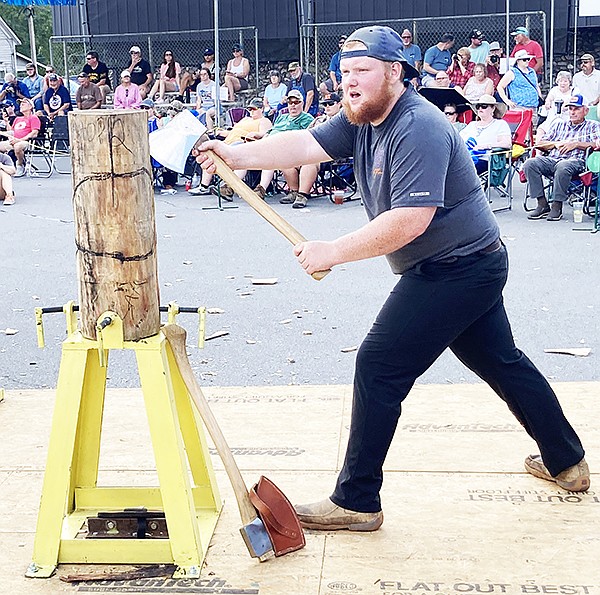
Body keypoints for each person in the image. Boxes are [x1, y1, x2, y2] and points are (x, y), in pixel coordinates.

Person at [196, 25, 590, 532]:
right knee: (501, 362)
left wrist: (331, 251)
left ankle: (357, 500)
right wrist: (238, 154)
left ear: (395, 72)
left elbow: (410, 220)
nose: (349, 82)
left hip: (458, 269)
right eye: (344, 73)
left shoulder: (418, 126)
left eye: (362, 71)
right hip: (463, 264)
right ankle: (567, 461)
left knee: (379, 365)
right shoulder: (361, 118)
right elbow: (304, 144)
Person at [524, 94, 600, 221]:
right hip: (553, 159)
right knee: (530, 163)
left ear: (585, 110)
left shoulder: (592, 126)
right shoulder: (559, 124)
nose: (572, 112)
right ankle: (542, 204)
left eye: (576, 109)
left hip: (577, 162)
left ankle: (557, 206)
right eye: (570, 109)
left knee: (563, 166)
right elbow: (540, 143)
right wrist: (555, 144)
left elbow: (597, 144)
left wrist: (577, 144)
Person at [189, 97, 272, 197]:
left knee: (238, 158)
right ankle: (204, 186)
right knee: (209, 152)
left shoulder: (264, 121)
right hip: (228, 142)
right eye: (250, 109)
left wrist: (253, 134)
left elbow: (265, 135)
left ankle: (229, 187)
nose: (251, 112)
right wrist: (219, 132)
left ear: (261, 109)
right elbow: (233, 131)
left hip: (242, 143)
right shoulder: (245, 119)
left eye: (254, 109)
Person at [250, 88, 313, 199]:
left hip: (287, 149)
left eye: (296, 102)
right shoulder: (281, 117)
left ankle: (261, 189)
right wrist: (261, 136)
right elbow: (271, 131)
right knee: (246, 150)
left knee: (272, 157)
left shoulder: (306, 118)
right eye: (290, 102)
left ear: (302, 103)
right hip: (268, 144)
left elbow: (306, 138)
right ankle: (230, 186)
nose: (292, 105)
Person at [284, 92, 343, 209]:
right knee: (287, 160)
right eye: (325, 105)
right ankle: (294, 192)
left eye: (330, 104)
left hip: (332, 154)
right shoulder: (318, 120)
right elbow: (306, 134)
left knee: (310, 162)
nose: (327, 107)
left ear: (339, 104)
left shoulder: (343, 121)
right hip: (311, 151)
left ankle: (302, 195)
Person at [459, 94, 512, 174]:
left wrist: (487, 146)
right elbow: (458, 140)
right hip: (465, 157)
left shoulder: (500, 124)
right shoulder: (472, 124)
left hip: (486, 160)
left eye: (484, 106)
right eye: (478, 106)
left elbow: (507, 143)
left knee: (462, 170)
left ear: (493, 108)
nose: (480, 109)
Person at [496, 49, 542, 123]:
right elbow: (500, 87)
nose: (527, 61)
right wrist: (507, 101)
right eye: (524, 60)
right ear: (518, 61)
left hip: (533, 106)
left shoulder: (532, 71)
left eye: (528, 59)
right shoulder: (512, 72)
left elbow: (536, 85)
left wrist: (539, 97)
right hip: (518, 106)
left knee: (532, 128)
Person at [0, 97, 41, 178]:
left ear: (30, 107)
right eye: (20, 104)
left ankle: (20, 165)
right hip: (14, 140)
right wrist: (6, 121)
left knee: (18, 146)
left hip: (26, 141)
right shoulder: (17, 119)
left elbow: (34, 133)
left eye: (24, 103)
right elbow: (11, 131)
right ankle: (5, 165)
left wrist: (19, 140)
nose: (21, 105)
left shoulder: (33, 117)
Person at [536, 71, 577, 138]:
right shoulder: (554, 90)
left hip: (567, 117)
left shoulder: (574, 90)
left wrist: (566, 105)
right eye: (560, 81)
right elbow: (549, 98)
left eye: (565, 81)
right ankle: (538, 147)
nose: (563, 83)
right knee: (541, 130)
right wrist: (548, 103)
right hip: (553, 117)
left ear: (569, 82)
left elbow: (573, 99)